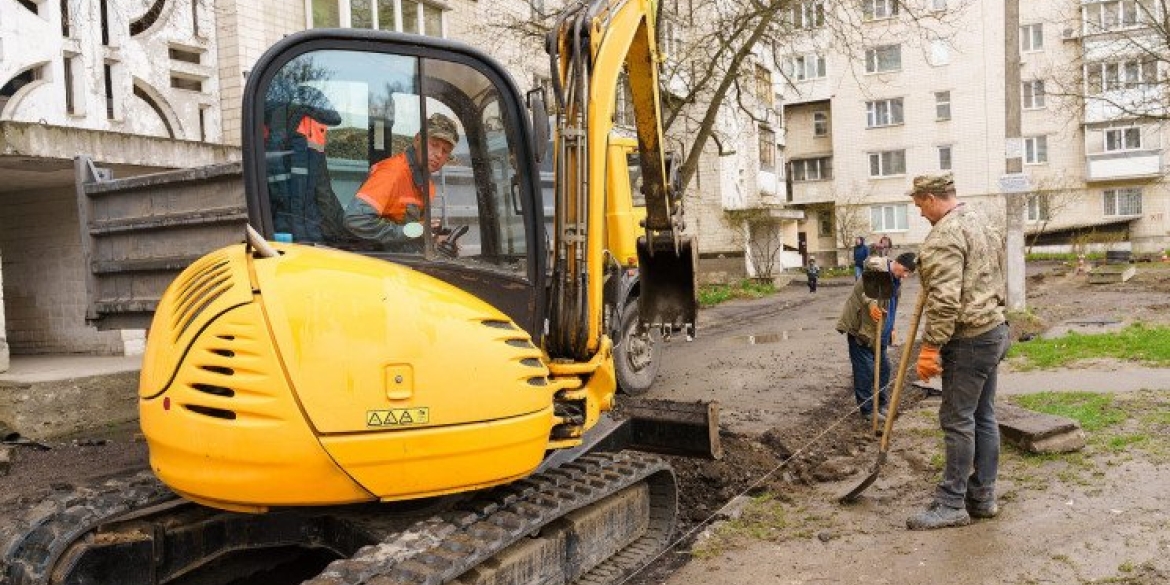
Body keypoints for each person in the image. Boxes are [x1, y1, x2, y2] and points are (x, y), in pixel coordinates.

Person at [904, 173, 1010, 531]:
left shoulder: (943, 237)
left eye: (919, 205)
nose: (919, 213)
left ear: (932, 198)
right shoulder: (981, 220)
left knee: (957, 419)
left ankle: (951, 504)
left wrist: (930, 347)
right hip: (994, 329)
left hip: (969, 339)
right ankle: (982, 498)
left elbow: (945, 300)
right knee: (983, 416)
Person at [344, 112, 460, 251]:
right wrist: (415, 231)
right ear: (417, 140)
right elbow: (355, 221)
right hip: (377, 260)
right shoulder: (392, 172)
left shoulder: (427, 185)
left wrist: (435, 240)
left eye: (445, 151)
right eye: (434, 144)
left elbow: (414, 230)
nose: (439, 154)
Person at [835, 252, 916, 424]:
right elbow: (868, 292)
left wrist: (891, 327)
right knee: (865, 370)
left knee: (884, 368)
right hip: (861, 329)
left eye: (909, 273)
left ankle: (881, 405)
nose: (906, 275)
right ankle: (867, 411)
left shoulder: (896, 279)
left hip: (879, 333)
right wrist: (872, 305)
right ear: (897, 262)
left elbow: (893, 304)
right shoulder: (877, 269)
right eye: (906, 270)